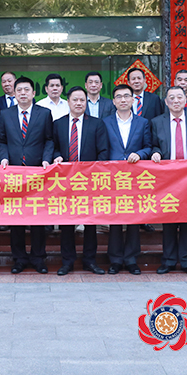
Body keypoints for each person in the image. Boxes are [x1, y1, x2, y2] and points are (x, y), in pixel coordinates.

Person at [0, 76, 54, 274]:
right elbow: (1, 140)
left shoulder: (44, 113)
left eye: (26, 90)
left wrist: (46, 159)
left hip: (37, 173)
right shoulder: (5, 114)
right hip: (14, 173)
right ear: (14, 93)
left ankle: (38, 258)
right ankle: (19, 258)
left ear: (33, 93)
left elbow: (49, 140)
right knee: (16, 219)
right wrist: (4, 158)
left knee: (38, 218)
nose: (23, 93)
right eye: (19, 90)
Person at [151, 86, 187, 277]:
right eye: (171, 98)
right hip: (166, 179)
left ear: (185, 101)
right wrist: (155, 153)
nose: (175, 101)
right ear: (166, 102)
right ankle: (168, 261)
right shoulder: (156, 122)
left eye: (179, 97)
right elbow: (153, 145)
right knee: (168, 220)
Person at [52, 86, 109, 276]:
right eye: (75, 100)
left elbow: (103, 152)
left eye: (82, 100)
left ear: (86, 103)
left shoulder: (97, 124)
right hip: (65, 182)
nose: (78, 103)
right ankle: (67, 262)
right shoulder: (58, 124)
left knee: (90, 223)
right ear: (68, 102)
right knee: (66, 223)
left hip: (89, 181)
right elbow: (53, 147)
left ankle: (90, 261)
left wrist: (95, 173)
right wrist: (56, 156)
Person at [102, 84, 151, 275]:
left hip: (135, 176)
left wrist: (139, 154)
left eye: (126, 96)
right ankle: (115, 260)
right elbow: (102, 147)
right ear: (113, 101)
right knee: (114, 218)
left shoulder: (143, 122)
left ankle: (131, 259)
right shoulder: (105, 122)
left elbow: (149, 146)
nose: (123, 100)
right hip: (112, 176)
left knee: (133, 218)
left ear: (133, 99)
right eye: (119, 97)